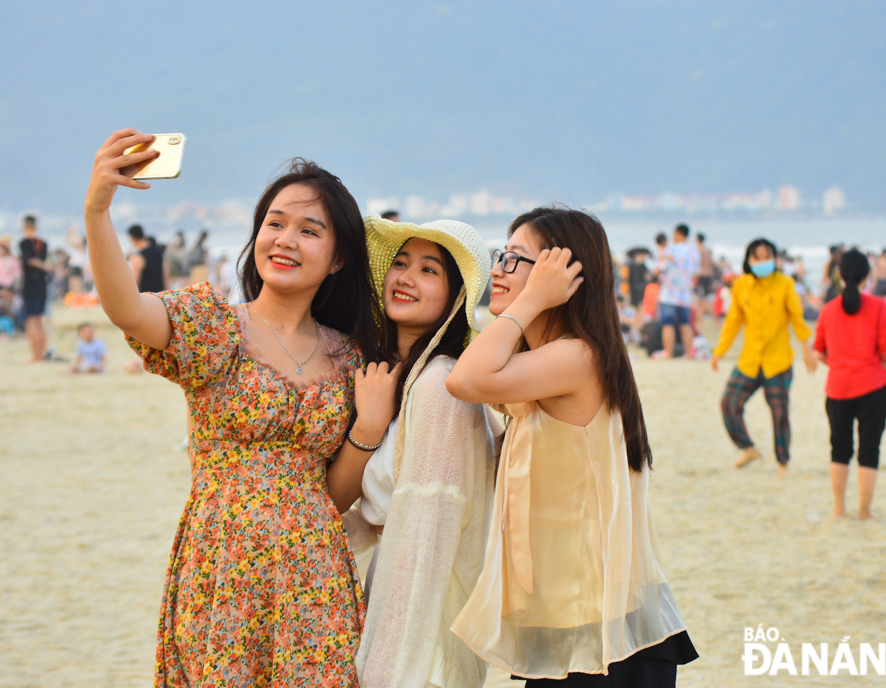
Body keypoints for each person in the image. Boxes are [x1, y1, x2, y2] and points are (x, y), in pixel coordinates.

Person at [84, 129, 384, 685]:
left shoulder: (352, 358)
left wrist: (367, 429)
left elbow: (333, 494)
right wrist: (99, 209)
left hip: (314, 577)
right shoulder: (216, 327)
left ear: (339, 257)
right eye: (274, 223)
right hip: (221, 567)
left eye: (308, 230)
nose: (285, 240)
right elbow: (127, 309)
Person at [446, 207, 697, 685]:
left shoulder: (578, 357)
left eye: (516, 258)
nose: (497, 269)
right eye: (501, 254)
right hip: (569, 628)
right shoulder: (543, 361)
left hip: (604, 637)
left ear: (562, 276)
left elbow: (465, 379)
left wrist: (531, 300)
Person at [330, 216, 496, 687]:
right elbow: (375, 514)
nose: (405, 278)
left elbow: (429, 532)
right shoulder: (392, 377)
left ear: (457, 295)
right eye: (400, 264)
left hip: (423, 625)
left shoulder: (441, 384)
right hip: (391, 590)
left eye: (429, 270)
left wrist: (386, 667)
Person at [711, 238, 817, 474]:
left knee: (780, 413)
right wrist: (718, 352)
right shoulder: (740, 286)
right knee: (728, 403)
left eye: (767, 256)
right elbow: (732, 323)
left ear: (775, 258)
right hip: (749, 360)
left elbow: (797, 319)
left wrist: (807, 350)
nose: (763, 261)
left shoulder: (785, 284)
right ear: (749, 260)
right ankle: (747, 448)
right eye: (757, 257)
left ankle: (783, 462)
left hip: (778, 360)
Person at [813, 249, 886, 521]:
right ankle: (864, 511)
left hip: (838, 388)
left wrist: (840, 364)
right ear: (867, 277)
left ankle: (839, 509)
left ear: (838, 276)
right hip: (874, 386)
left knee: (839, 449)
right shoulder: (878, 306)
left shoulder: (827, 310)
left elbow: (819, 352)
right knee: (869, 450)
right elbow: (885, 353)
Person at [656, 223, 700, 359]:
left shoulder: (670, 251)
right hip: (684, 294)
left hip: (669, 293)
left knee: (668, 325)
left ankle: (668, 354)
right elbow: (696, 274)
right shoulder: (694, 253)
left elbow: (659, 269)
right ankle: (688, 355)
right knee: (685, 324)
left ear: (677, 234)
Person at [20, 215, 51, 362]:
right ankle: (41, 353)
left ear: (24, 227)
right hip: (41, 285)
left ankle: (36, 355)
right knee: (39, 320)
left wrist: (42, 265)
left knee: (31, 321)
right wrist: (45, 266)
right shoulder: (43, 243)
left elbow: (28, 260)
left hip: (30, 286)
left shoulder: (24, 243)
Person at [126, 224, 167, 293]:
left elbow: (135, 281)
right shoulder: (159, 253)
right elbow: (166, 275)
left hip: (146, 298)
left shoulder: (137, 257)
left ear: (132, 238)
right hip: (160, 296)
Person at [695, 232, 715, 320]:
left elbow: (696, 266)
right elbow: (711, 265)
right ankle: (699, 320)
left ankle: (715, 317)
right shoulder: (707, 251)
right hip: (709, 276)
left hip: (701, 276)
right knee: (702, 300)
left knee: (702, 300)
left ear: (697, 240)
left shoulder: (699, 250)